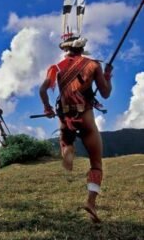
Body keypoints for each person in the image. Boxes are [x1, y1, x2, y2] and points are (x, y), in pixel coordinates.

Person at [39, 31, 112, 222]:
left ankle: (68, 150)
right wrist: (107, 76)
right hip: (85, 115)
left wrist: (47, 107)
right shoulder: (92, 64)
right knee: (96, 163)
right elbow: (105, 94)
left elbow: (42, 89)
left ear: (66, 49)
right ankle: (91, 203)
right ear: (81, 48)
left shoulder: (56, 67)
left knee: (65, 141)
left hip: (65, 115)